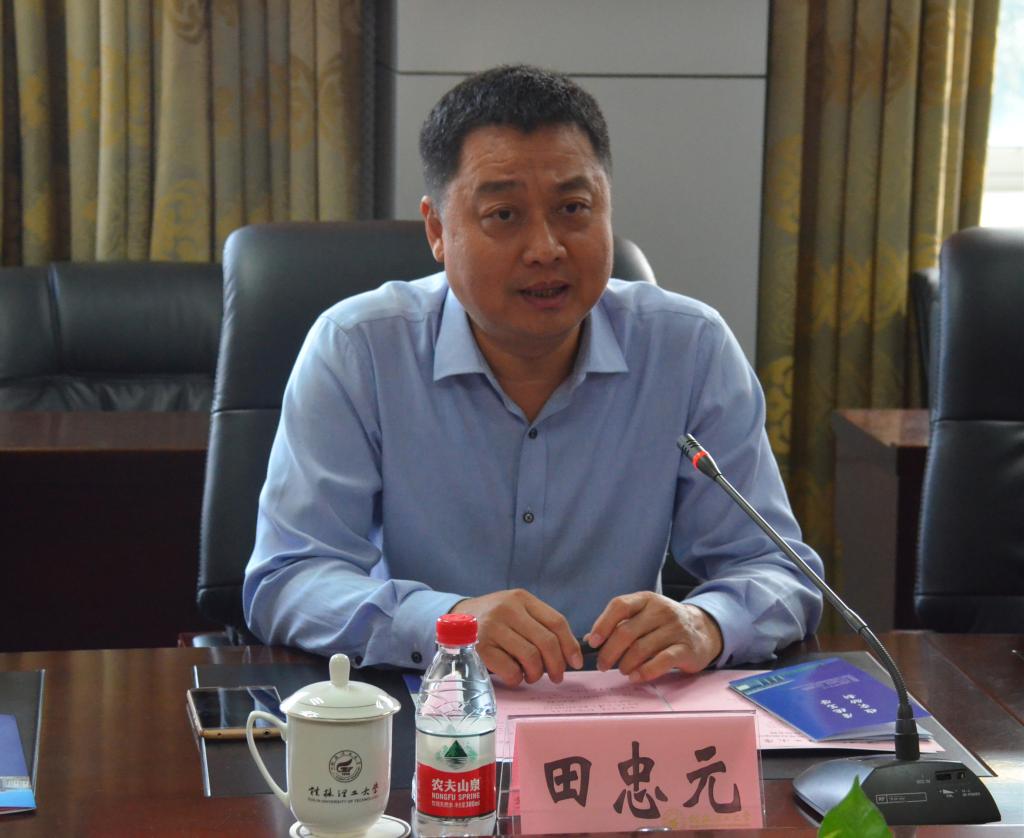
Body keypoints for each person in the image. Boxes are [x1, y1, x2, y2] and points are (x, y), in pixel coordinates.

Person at [243, 65, 823, 687]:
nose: (546, 248)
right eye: (504, 215)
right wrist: (446, 622)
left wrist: (706, 623)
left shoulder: (689, 349)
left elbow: (777, 572)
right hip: (429, 710)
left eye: (573, 208)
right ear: (437, 230)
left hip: (623, 716)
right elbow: (290, 579)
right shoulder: (359, 350)